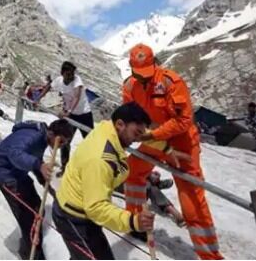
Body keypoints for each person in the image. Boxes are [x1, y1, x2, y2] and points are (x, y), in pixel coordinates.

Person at [122, 43, 223, 259]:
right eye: (139, 75)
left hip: (182, 143)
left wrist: (152, 135)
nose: (144, 79)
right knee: (133, 171)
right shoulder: (130, 87)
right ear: (131, 68)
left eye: (147, 74)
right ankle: (136, 223)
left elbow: (184, 120)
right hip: (155, 140)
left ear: (155, 63)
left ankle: (209, 255)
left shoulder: (171, 81)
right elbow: (130, 115)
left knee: (192, 199)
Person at [53, 102, 155, 260]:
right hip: (73, 216)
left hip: (82, 209)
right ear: (120, 124)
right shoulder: (100, 159)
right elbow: (96, 207)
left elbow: (111, 172)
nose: (137, 139)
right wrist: (132, 221)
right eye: (136, 133)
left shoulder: (107, 131)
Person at [0, 119, 74, 260]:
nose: (60, 147)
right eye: (60, 142)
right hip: (6, 175)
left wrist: (42, 179)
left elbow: (36, 157)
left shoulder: (43, 139)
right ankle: (32, 255)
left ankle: (27, 246)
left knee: (37, 207)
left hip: (18, 173)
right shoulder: (32, 136)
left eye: (64, 144)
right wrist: (39, 165)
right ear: (51, 133)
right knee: (28, 217)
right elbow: (15, 154)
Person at [36, 61, 94, 176]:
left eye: (72, 74)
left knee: (90, 142)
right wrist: (38, 98)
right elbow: (48, 87)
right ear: (62, 73)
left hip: (84, 114)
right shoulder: (59, 80)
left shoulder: (77, 81)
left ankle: (91, 169)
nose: (71, 77)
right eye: (68, 74)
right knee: (65, 140)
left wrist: (69, 111)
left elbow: (76, 97)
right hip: (71, 115)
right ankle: (64, 167)